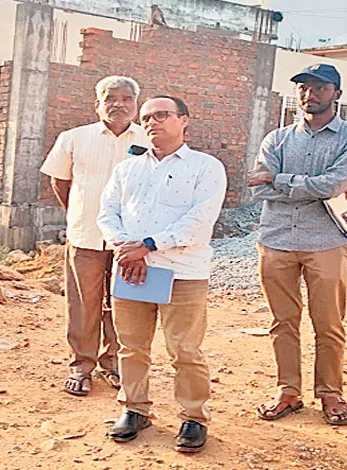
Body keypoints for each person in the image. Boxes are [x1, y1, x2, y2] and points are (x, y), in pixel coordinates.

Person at [98, 96, 227, 453]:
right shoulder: (127, 169)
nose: (152, 122)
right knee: (131, 346)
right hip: (132, 270)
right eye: (146, 118)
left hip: (182, 272)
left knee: (185, 349)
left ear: (184, 120)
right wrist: (126, 248)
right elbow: (107, 212)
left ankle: (194, 417)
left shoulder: (205, 167)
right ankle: (134, 409)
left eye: (161, 115)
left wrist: (149, 245)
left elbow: (200, 220)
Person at [247, 64, 347, 426]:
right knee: (282, 322)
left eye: (320, 87)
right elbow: (258, 188)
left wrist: (278, 178)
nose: (310, 94)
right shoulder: (276, 139)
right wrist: (305, 185)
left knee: (329, 323)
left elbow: (333, 186)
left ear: (336, 93)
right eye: (303, 87)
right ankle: (288, 392)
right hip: (276, 240)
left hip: (326, 242)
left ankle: (331, 394)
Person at [40, 76, 148, 397]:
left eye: (126, 98)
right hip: (85, 235)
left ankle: (114, 363)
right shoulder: (73, 138)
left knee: (125, 302)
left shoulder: (149, 140)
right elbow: (60, 182)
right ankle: (81, 366)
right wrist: (79, 213)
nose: (118, 104)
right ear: (97, 104)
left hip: (130, 242)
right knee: (83, 304)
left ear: (136, 105)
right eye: (110, 98)